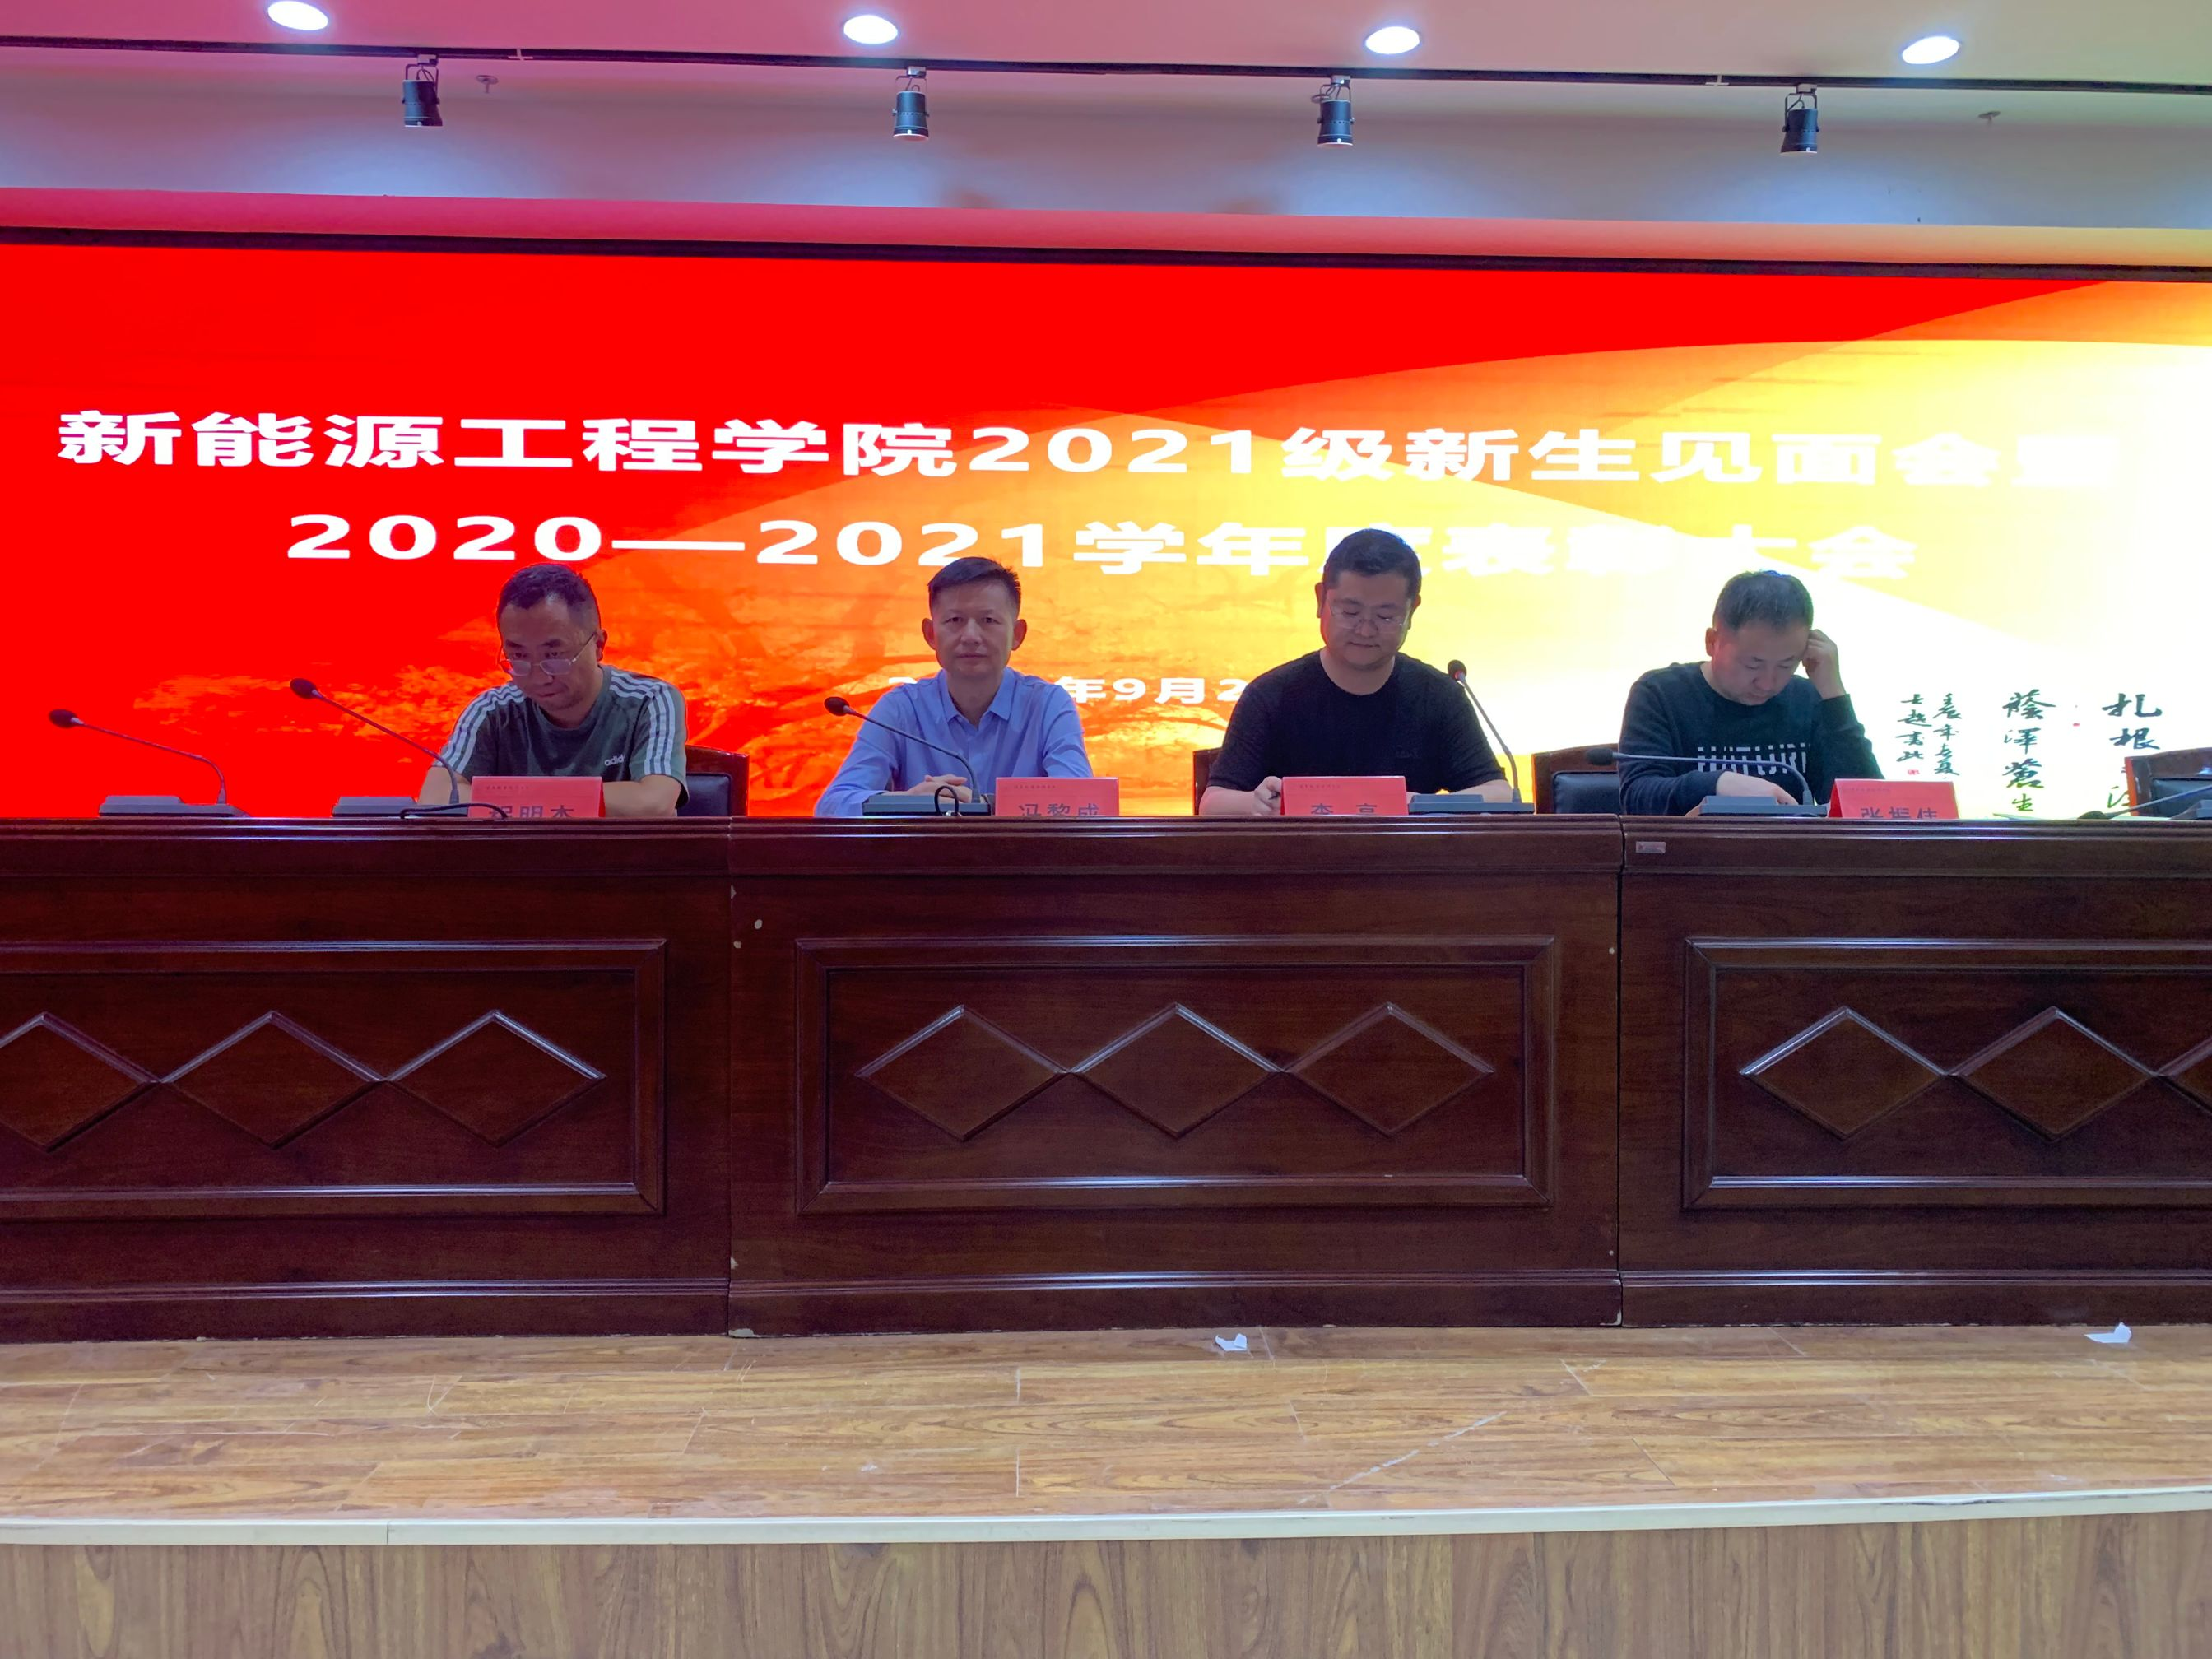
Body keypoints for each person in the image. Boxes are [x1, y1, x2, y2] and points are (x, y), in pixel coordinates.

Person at [1199, 528, 1510, 815]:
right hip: (1298, 857)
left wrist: (1417, 804)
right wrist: (1256, 804)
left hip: (1406, 856)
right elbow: (1213, 803)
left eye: (1385, 616)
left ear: (1411, 611)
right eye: (1350, 612)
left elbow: (1500, 794)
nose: (1365, 630)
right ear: (1321, 600)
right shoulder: (1272, 695)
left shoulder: (1439, 696)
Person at [816, 555, 1090, 816]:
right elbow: (832, 805)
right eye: (955, 621)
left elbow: (1083, 802)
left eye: (988, 621)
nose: (971, 636)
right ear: (931, 634)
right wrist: (906, 802)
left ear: (1017, 634)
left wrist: (985, 807)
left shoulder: (1047, 704)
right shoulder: (900, 708)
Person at [424, 565, 687, 818]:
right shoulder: (493, 711)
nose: (539, 677)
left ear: (598, 645)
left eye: (554, 655)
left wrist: (512, 798)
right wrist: (569, 799)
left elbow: (654, 803)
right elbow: (435, 797)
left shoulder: (649, 701)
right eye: (519, 657)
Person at [1616, 569, 1880, 815]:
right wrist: (1717, 784)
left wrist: (1834, 696)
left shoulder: (1808, 698)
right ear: (1712, 642)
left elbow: (1868, 808)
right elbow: (1638, 798)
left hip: (1790, 849)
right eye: (1752, 665)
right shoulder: (1661, 694)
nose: (1767, 683)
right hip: (1693, 849)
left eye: (1786, 665)